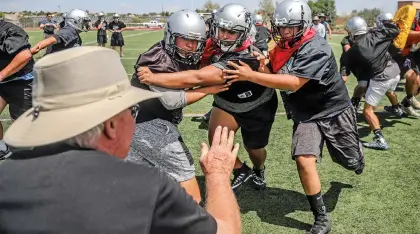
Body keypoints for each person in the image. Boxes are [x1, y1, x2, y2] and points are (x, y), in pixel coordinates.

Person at [0, 46, 242, 234]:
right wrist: (218, 174)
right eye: (131, 110)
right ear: (111, 125)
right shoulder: (145, 187)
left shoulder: (7, 180)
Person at [223, 0, 364, 234]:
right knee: (303, 159)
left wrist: (250, 76)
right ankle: (321, 217)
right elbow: (273, 71)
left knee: (348, 161)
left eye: (291, 27)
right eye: (281, 26)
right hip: (306, 114)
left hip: (333, 110)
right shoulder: (283, 46)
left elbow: (293, 82)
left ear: (305, 25)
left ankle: (356, 155)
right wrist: (260, 65)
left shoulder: (316, 47)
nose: (285, 32)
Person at [137, 3, 278, 194]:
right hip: (226, 102)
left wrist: (153, 78)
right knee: (217, 140)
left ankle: (258, 170)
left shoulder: (246, 56)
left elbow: (198, 78)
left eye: (232, 32)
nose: (224, 36)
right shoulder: (209, 43)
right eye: (221, 30)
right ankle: (240, 170)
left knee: (254, 148)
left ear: (243, 34)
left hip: (257, 104)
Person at [127, 9, 228, 203]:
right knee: (190, 189)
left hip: (133, 124)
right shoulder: (155, 60)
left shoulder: (182, 53)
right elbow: (172, 100)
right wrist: (209, 89)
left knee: (142, 189)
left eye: (195, 41)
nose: (191, 46)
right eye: (185, 40)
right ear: (171, 36)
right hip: (150, 126)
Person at [343, 16, 403, 150]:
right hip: (395, 72)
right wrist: (378, 29)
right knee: (388, 90)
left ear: (352, 32)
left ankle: (380, 139)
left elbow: (349, 67)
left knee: (368, 111)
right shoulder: (376, 34)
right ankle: (396, 107)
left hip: (382, 77)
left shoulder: (354, 50)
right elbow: (395, 30)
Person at [0, 20, 34, 160]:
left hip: (22, 82)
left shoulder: (9, 30)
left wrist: (1, 75)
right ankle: (2, 148)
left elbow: (25, 55)